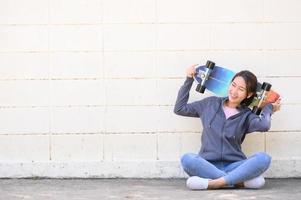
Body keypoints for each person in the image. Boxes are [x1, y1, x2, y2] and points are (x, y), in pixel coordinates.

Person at [174, 65, 281, 190]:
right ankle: (237, 181)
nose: (234, 92)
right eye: (233, 85)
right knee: (187, 159)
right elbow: (179, 109)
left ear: (248, 94)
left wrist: (268, 107)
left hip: (235, 165)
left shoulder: (247, 115)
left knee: (264, 158)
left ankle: (214, 183)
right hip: (207, 165)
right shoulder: (210, 104)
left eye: (241, 89)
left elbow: (264, 125)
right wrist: (189, 79)